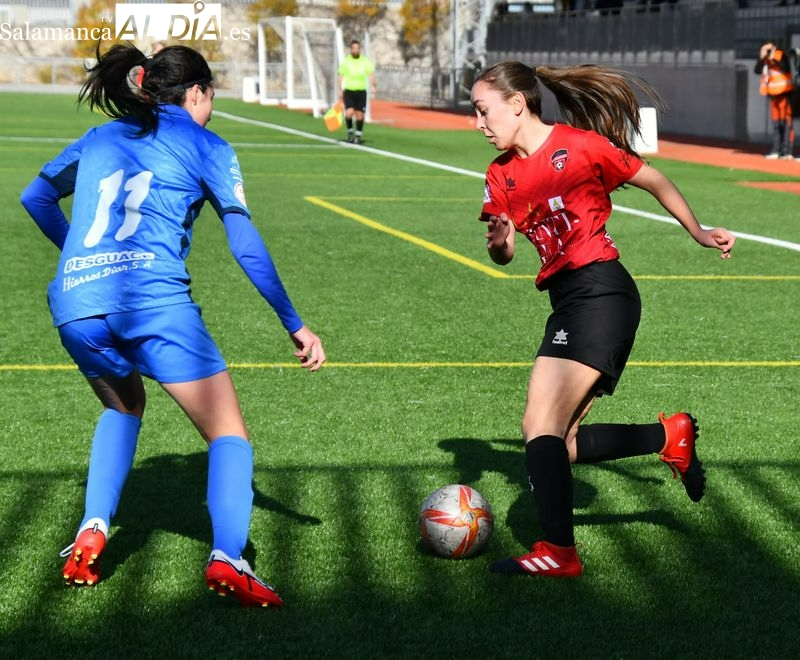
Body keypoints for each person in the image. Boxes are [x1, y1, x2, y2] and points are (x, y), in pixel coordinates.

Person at [19, 43, 326, 607]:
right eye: (212, 97)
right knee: (228, 434)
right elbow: (246, 247)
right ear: (196, 92)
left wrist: (82, 262)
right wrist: (295, 323)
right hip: (152, 303)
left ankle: (93, 527)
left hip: (76, 304)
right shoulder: (208, 144)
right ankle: (229, 558)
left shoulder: (102, 136)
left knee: (122, 405)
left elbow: (35, 196)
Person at [470, 61, 736, 577]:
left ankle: (557, 553)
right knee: (559, 444)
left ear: (517, 104)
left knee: (537, 425)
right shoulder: (500, 174)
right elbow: (501, 254)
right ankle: (669, 437)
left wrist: (699, 232)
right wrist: (501, 245)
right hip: (568, 301)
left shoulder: (581, 145)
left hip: (603, 292)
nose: (477, 123)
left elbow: (654, 178)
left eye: (483, 110)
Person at [754, 41, 795, 160]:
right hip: (773, 95)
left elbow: (785, 68)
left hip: (785, 93)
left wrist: (773, 58)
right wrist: (762, 58)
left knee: (786, 124)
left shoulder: (781, 55)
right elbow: (757, 70)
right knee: (776, 124)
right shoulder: (765, 60)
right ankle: (776, 150)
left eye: (769, 48)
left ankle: (787, 151)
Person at [337, 39, 376, 144]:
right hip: (349, 90)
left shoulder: (365, 60)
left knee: (360, 115)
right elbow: (341, 76)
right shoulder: (346, 61)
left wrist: (373, 86)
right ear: (351, 49)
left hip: (361, 91)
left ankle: (358, 135)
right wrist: (340, 89)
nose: (355, 50)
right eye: (354, 48)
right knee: (349, 113)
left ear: (360, 49)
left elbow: (370, 74)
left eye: (357, 48)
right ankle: (350, 133)